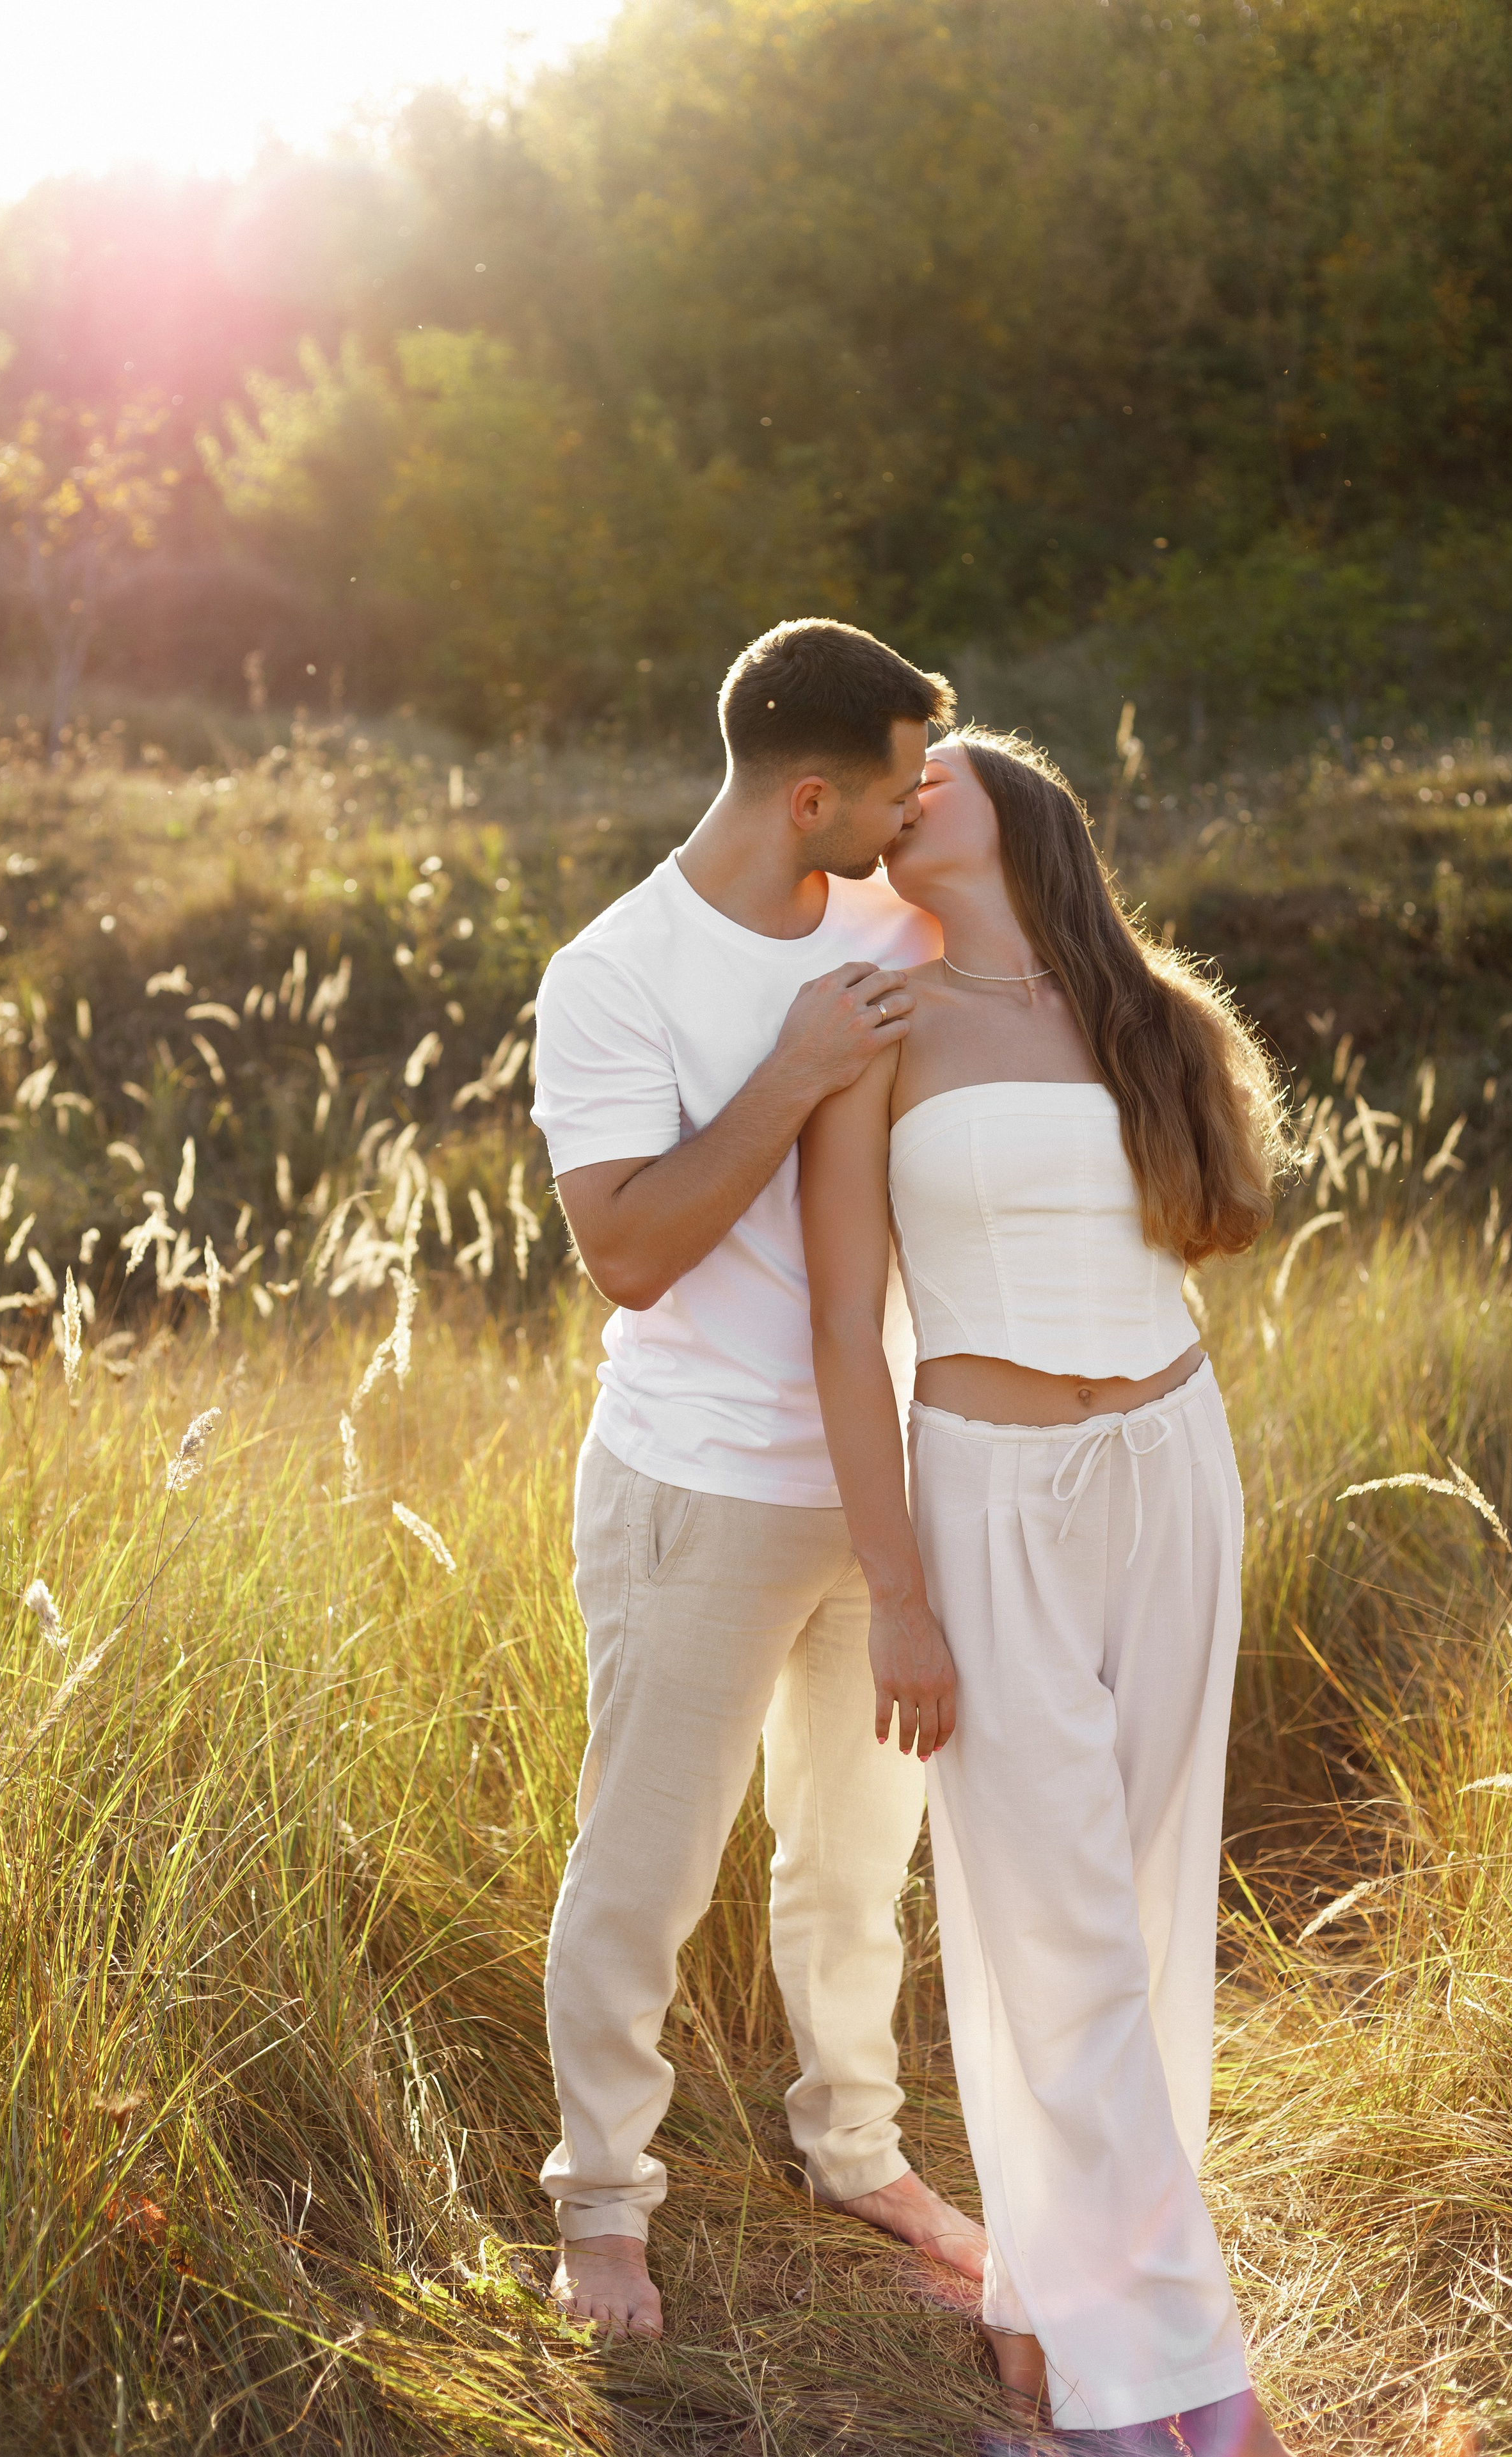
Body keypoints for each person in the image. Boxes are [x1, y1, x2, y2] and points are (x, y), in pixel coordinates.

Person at [800, 729, 1292, 2451]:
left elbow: (1208, 1228)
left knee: (1146, 1912)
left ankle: (1056, 2302)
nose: (907, 776)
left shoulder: (1150, 1012)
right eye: (890, 775)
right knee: (1056, 1925)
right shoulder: (877, 1019)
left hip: (1171, 1466)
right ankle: (1181, 2382)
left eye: (941, 759)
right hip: (987, 1491)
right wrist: (900, 1593)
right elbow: (848, 1337)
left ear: (1029, 814)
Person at [530, 619, 989, 2340]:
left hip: (883, 1496)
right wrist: (791, 1072)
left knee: (857, 1858)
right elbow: (629, 1253)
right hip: (695, 1491)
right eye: (890, 788)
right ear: (810, 794)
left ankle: (854, 2148)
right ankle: (601, 2206)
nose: (910, 814)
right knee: (645, 1873)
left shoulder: (891, 920)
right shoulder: (614, 973)